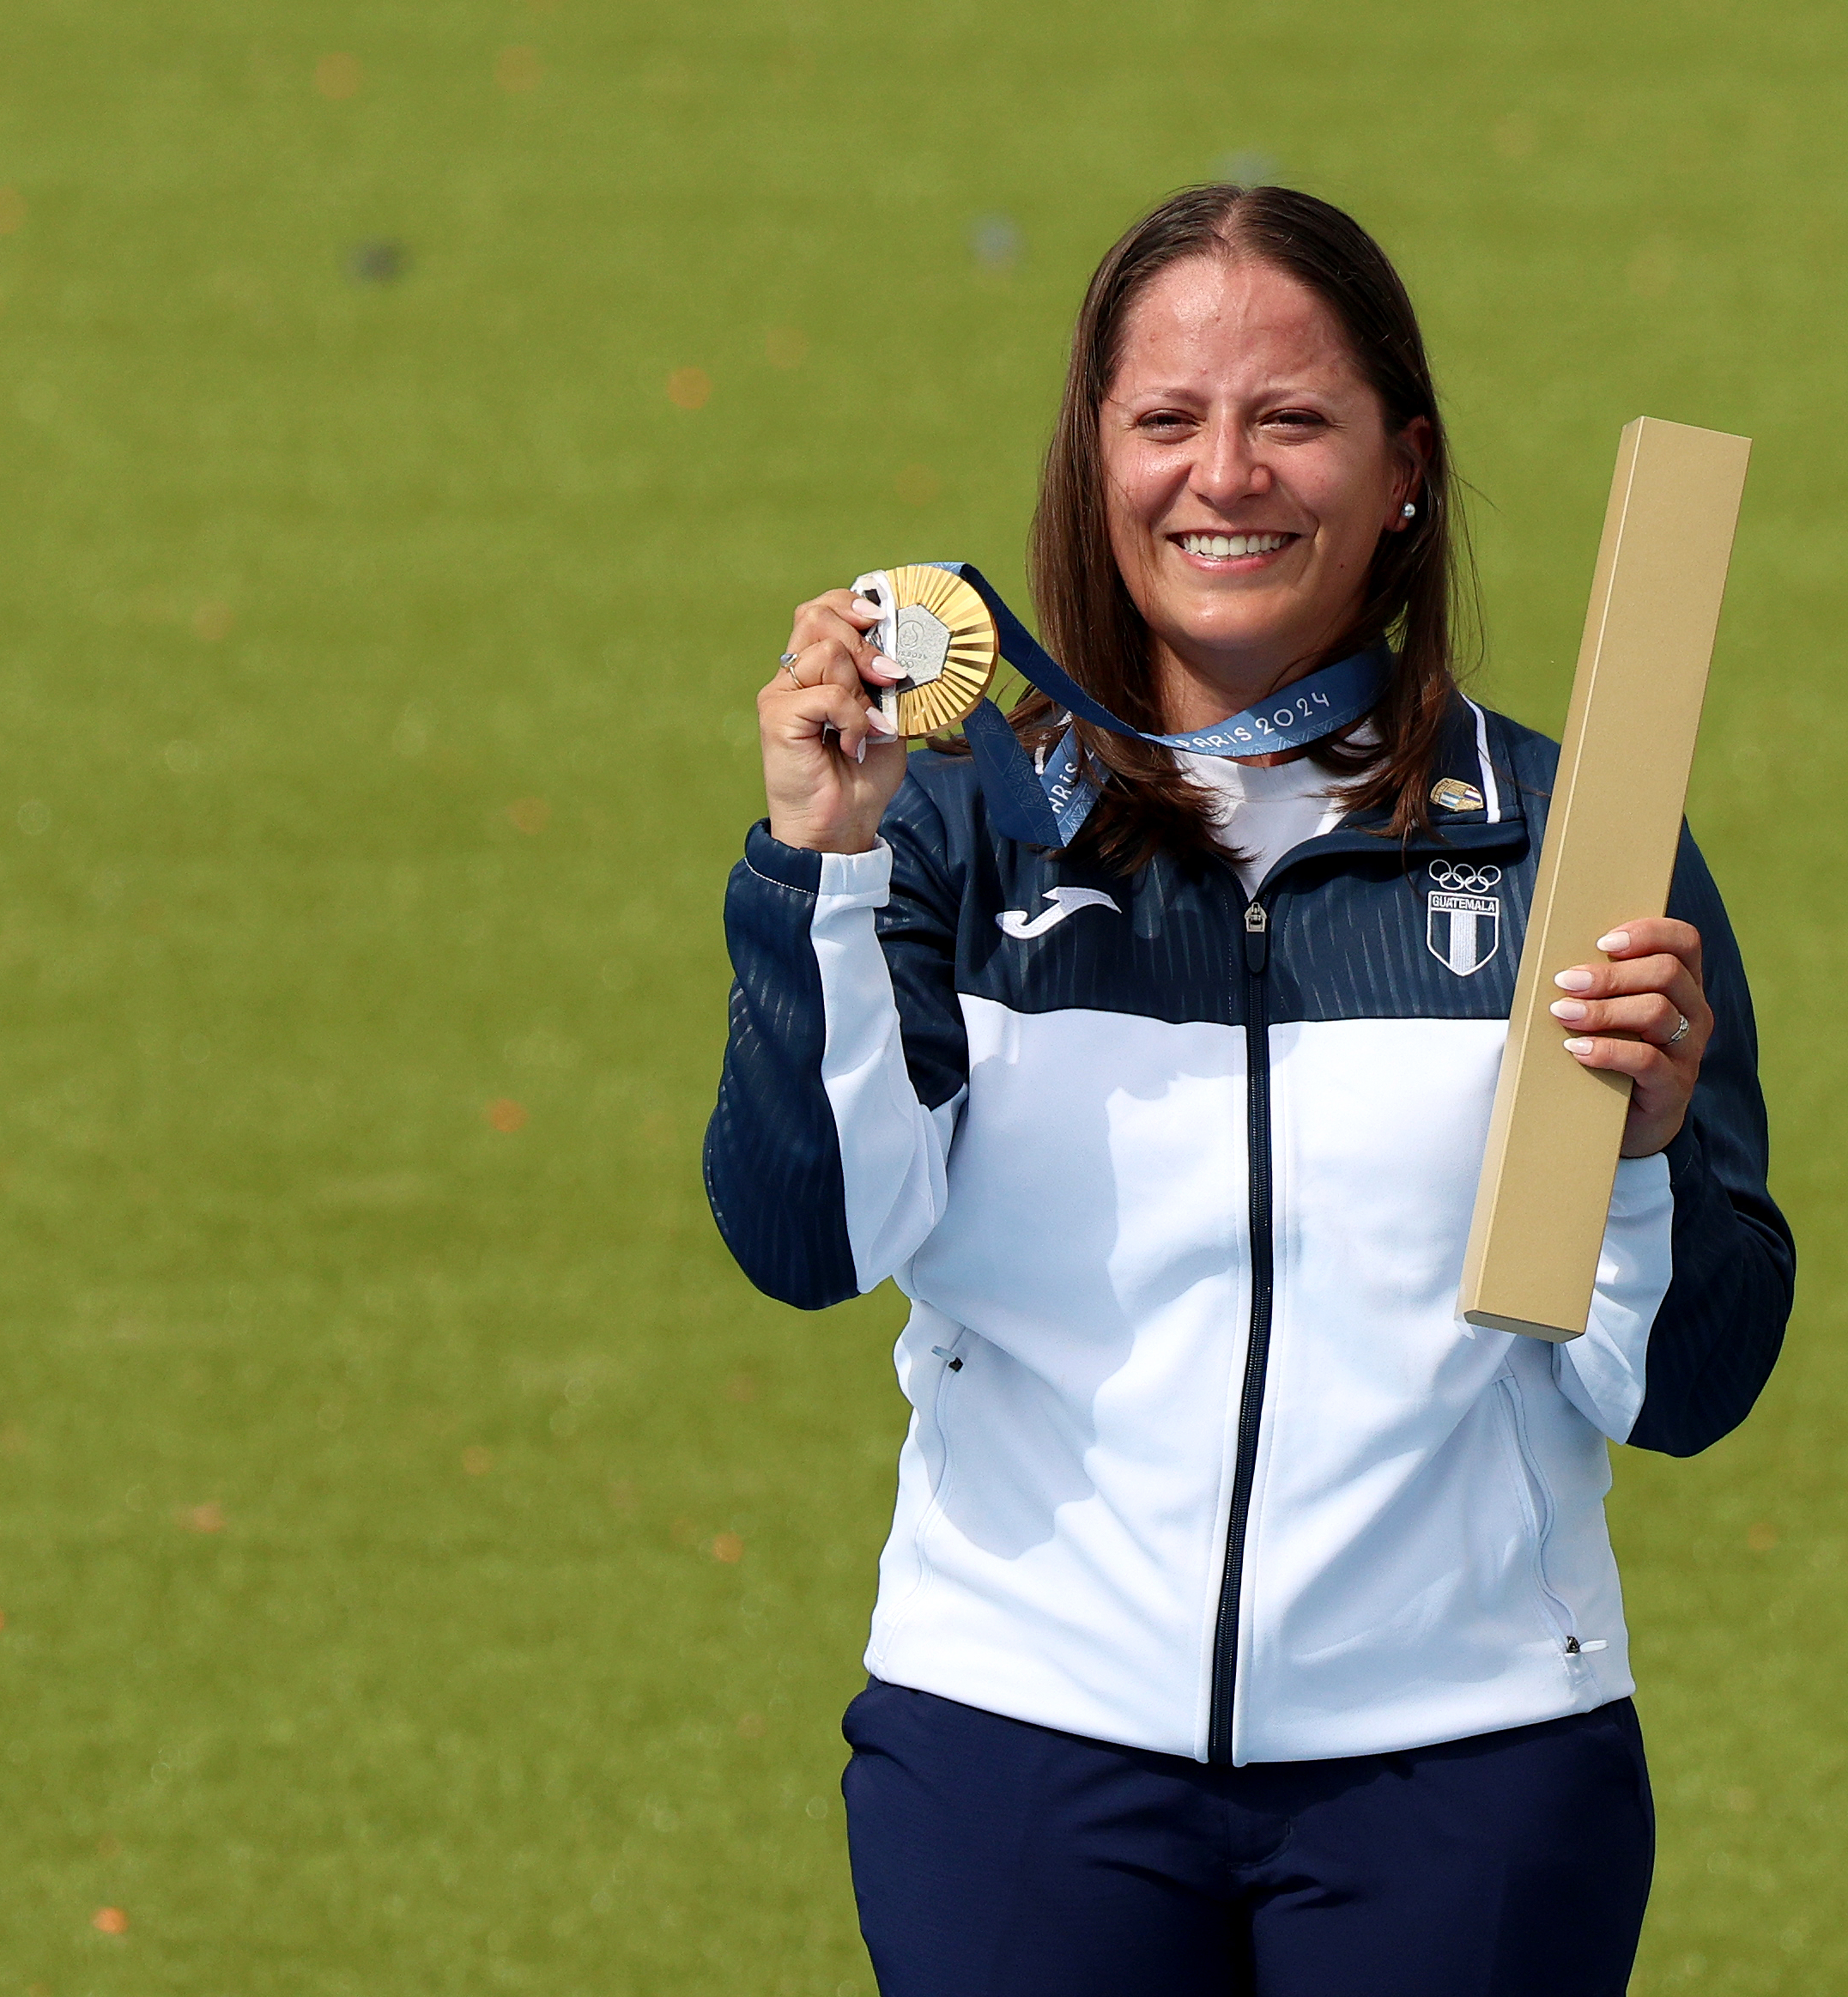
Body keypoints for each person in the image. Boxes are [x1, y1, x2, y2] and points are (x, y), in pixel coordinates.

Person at [706, 184, 1793, 1997]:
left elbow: (1690, 1392)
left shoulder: (1570, 846)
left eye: (1291, 418)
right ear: (1092, 460)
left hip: (1471, 1769)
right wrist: (816, 868)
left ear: (1406, 469)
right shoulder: (953, 823)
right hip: (1018, 1752)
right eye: (1166, 421)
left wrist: (1644, 1157)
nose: (1227, 476)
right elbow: (814, 1238)